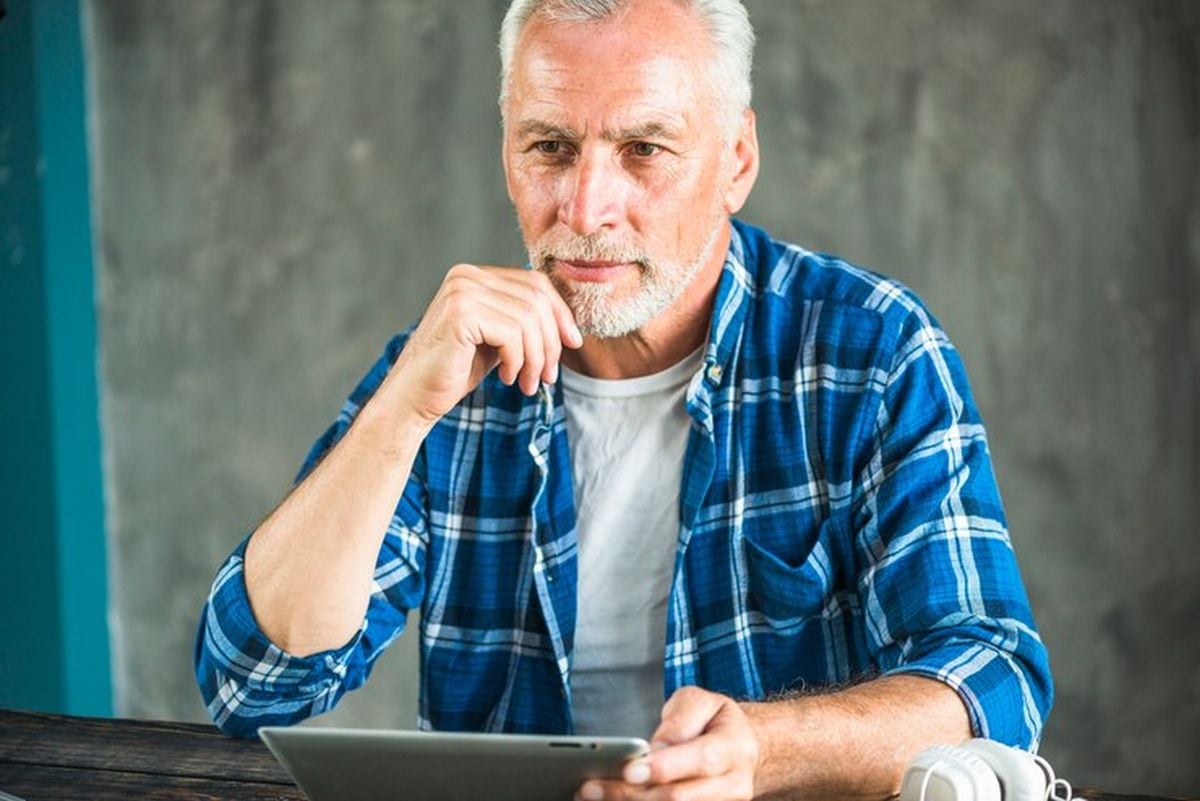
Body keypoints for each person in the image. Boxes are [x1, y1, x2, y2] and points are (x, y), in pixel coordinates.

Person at [195, 0, 1053, 798]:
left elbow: (990, 682)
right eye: (551, 147)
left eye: (644, 149)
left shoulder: (872, 353)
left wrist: (764, 749)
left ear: (737, 161)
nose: (586, 207)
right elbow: (250, 680)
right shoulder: (446, 372)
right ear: (507, 153)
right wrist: (400, 414)